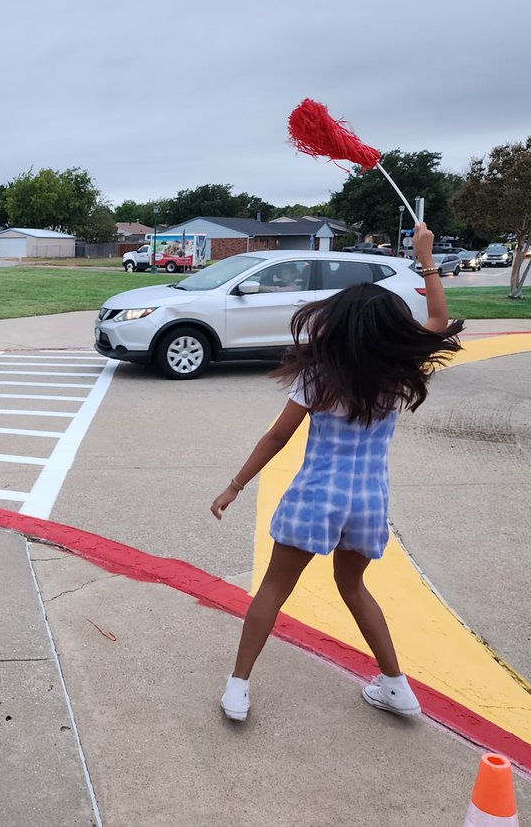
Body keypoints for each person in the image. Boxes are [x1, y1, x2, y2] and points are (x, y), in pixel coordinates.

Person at [210, 223, 462, 722]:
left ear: (340, 323)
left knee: (274, 591)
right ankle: (396, 686)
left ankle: (238, 688)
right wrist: (425, 256)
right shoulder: (398, 371)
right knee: (353, 587)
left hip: (316, 497)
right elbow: (438, 317)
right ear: (391, 329)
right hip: (368, 502)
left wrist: (236, 485)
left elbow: (277, 437)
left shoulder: (320, 374)